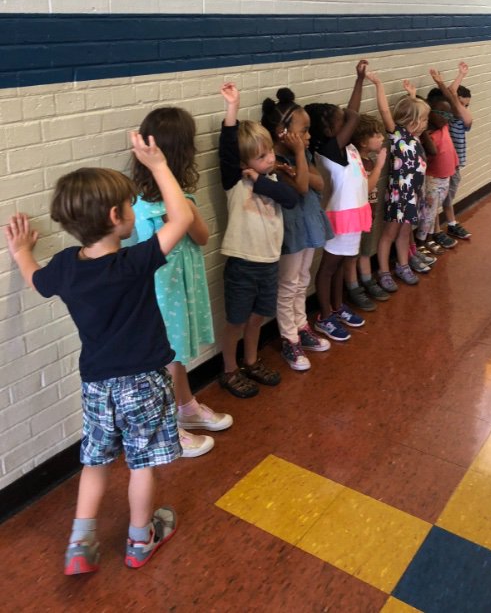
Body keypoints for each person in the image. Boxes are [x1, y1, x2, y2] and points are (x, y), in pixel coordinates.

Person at [4, 132, 194, 575]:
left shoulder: (67, 267)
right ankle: (139, 541)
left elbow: (37, 280)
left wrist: (21, 254)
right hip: (144, 382)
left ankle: (79, 544)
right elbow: (181, 218)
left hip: (95, 384)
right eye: (129, 206)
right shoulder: (133, 262)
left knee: (95, 460)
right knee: (141, 465)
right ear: (116, 216)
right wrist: (159, 165)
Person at [130, 107, 233, 458]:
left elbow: (202, 237)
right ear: (182, 153)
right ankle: (164, 426)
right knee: (161, 357)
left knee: (175, 354)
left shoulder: (181, 199)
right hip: (158, 292)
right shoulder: (135, 203)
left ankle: (185, 405)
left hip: (181, 287)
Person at [219, 82, 299, 397]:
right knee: (237, 321)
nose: (269, 160)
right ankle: (228, 370)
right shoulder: (234, 183)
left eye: (269, 153)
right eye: (261, 156)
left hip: (269, 262)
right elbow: (226, 147)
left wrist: (263, 180)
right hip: (243, 262)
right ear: (243, 164)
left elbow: (290, 199)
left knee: (257, 317)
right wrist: (232, 109)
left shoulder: (272, 180)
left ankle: (251, 361)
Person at [260, 89, 332, 371]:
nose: (309, 137)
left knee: (303, 278)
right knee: (288, 284)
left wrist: (302, 157)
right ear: (282, 132)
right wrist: (300, 155)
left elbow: (319, 184)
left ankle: (302, 326)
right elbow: (302, 186)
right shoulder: (274, 163)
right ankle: (289, 337)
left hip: (310, 224)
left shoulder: (300, 156)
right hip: (291, 231)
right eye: (304, 131)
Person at [304, 59, 371, 342]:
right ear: (328, 128)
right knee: (329, 267)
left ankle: (337, 306)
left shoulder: (346, 145)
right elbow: (353, 114)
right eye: (338, 119)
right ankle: (324, 315)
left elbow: (350, 116)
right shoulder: (330, 149)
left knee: (345, 263)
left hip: (355, 213)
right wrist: (359, 81)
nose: (344, 119)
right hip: (339, 216)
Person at [366, 71, 431, 292]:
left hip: (413, 194)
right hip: (399, 196)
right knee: (389, 234)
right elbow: (385, 110)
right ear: (412, 121)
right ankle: (384, 270)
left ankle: (403, 264)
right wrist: (378, 85)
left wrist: (412, 96)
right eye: (423, 120)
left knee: (405, 232)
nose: (425, 124)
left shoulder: (414, 137)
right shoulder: (398, 135)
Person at [344, 113, 390, 305]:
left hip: (368, 214)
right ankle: (353, 286)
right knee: (352, 254)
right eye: (377, 135)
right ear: (363, 141)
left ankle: (366, 279)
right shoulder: (356, 162)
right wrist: (379, 166)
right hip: (355, 215)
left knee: (365, 249)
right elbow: (364, 189)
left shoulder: (369, 160)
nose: (382, 138)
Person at [429, 62, 473, 240]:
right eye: (462, 104)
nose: (463, 108)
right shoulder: (448, 120)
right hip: (443, 166)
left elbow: (467, 118)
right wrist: (452, 81)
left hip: (454, 164)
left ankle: (451, 223)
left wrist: (460, 75)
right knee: (438, 200)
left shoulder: (459, 121)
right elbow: (451, 93)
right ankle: (437, 230)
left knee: (447, 197)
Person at [417, 77, 460, 255]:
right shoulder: (428, 134)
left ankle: (429, 238)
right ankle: (421, 243)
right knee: (427, 215)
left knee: (433, 212)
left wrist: (442, 84)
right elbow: (433, 152)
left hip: (445, 178)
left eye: (448, 115)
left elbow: (455, 111)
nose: (446, 118)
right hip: (433, 180)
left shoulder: (444, 127)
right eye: (441, 113)